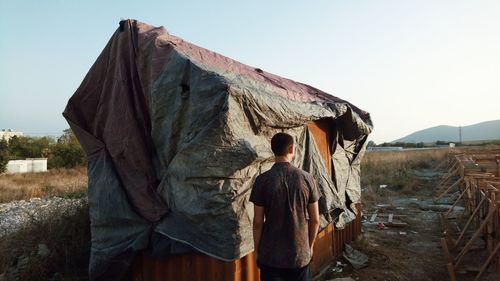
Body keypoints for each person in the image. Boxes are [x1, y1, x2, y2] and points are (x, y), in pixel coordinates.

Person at [250, 132, 321, 281]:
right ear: (291, 149)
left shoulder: (262, 180)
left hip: (270, 257)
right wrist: (310, 247)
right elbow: (315, 220)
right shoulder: (307, 178)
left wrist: (257, 251)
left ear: (273, 150)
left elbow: (257, 223)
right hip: (299, 255)